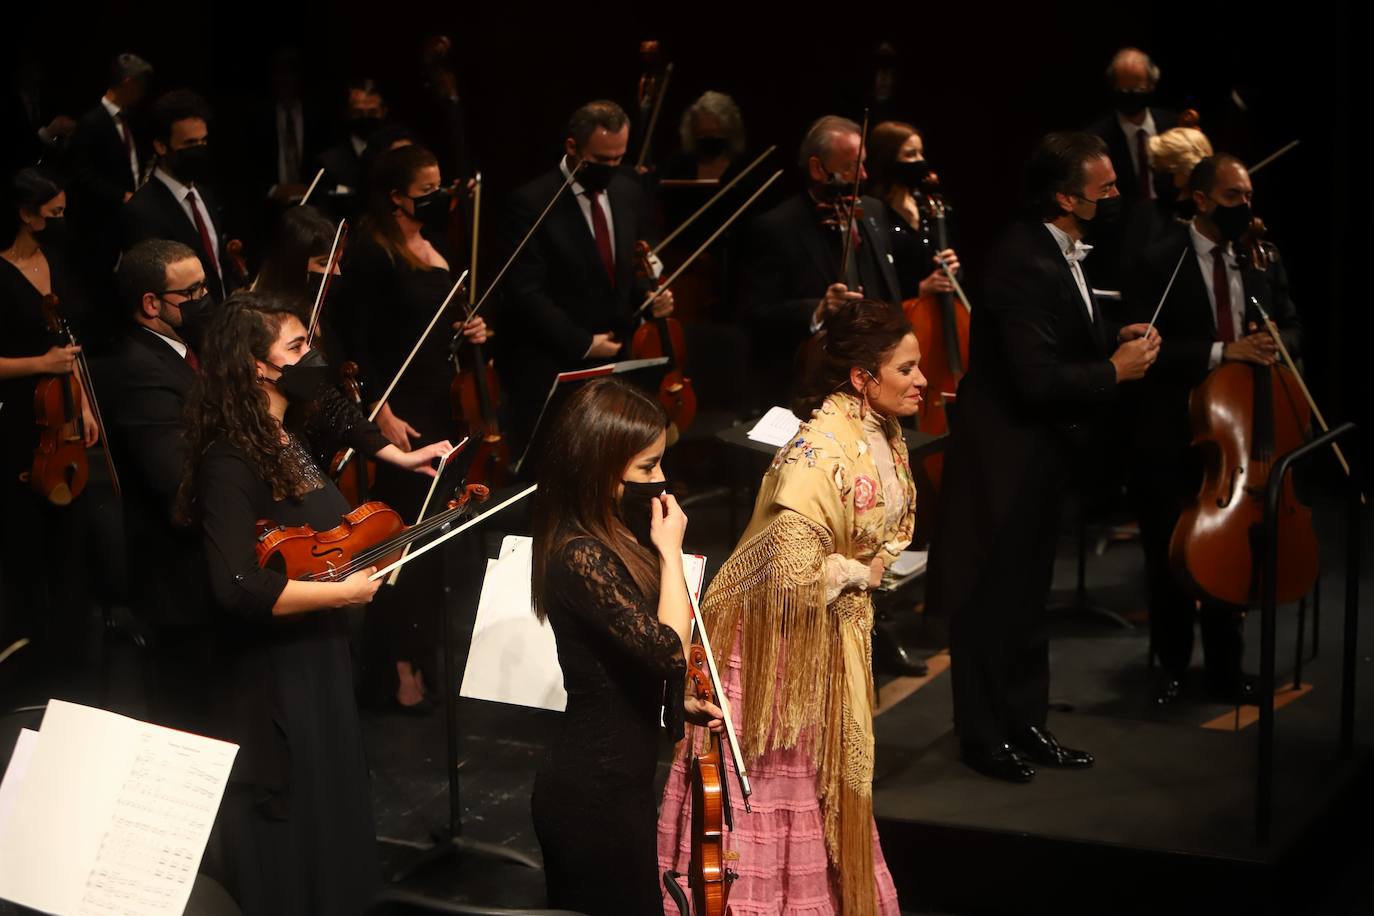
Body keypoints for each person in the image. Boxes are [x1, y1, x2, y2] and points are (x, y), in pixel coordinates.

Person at [658, 299, 924, 915]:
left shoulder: (881, 433)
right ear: (862, 377)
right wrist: (866, 571)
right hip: (777, 646)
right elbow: (790, 572)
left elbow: (892, 520)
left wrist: (868, 567)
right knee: (786, 778)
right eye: (906, 369)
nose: (922, 381)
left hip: (830, 628)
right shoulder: (818, 454)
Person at [926, 132, 1161, 783]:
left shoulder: (1059, 253)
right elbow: (1034, 377)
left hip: (1040, 460)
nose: (1116, 196)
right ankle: (982, 735)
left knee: (1029, 598)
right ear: (1066, 196)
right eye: (1105, 187)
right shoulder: (1018, 260)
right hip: (1001, 461)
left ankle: (1025, 722)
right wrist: (1114, 371)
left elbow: (1061, 336)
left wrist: (1114, 338)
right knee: (989, 600)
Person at [174, 293, 382, 915]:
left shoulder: (284, 437)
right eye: (295, 348)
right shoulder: (230, 459)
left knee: (332, 806)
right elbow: (236, 584)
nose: (311, 357)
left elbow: (324, 535)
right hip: (272, 680)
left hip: (317, 655)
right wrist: (343, 592)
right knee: (293, 826)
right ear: (257, 366)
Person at [530, 377, 717, 916]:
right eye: (646, 468)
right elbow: (665, 648)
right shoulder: (580, 555)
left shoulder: (611, 532)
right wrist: (671, 555)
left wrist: (675, 702)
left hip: (621, 783)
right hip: (592, 793)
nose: (660, 481)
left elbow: (623, 662)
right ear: (599, 465)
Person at [1125, 153, 1302, 707]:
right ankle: (1172, 667)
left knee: (1236, 546)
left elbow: (1294, 324)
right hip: (1175, 428)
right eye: (1231, 198)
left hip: (1241, 431)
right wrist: (1226, 351)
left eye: (1247, 197)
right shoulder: (1161, 260)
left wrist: (1277, 344)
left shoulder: (1259, 258)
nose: (1244, 208)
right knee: (1171, 552)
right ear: (1200, 201)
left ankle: (1228, 669)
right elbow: (1147, 349)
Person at [337, 143, 484, 708]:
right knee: (405, 545)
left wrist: (471, 330)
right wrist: (381, 411)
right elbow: (361, 344)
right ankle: (395, 669)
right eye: (428, 189)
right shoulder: (375, 255)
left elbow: (444, 320)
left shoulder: (438, 244)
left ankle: (428, 659)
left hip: (445, 402)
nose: (440, 196)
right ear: (397, 195)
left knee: (442, 549)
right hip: (405, 416)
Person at [496, 100, 672, 453]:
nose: (610, 168)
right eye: (601, 160)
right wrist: (583, 342)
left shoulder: (627, 190)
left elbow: (633, 263)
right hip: (556, 363)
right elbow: (525, 292)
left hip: (618, 360)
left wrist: (651, 294)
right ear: (572, 148)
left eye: (617, 158)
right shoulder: (531, 202)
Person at [97, 239, 215, 732]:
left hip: (201, 563)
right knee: (188, 712)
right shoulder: (138, 369)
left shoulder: (189, 349)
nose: (205, 300)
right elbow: (174, 474)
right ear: (151, 303)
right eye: (193, 292)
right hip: (174, 574)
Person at [0, 167, 96, 677]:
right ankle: (30, 654)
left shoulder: (55, 259)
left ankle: (70, 651)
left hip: (62, 410)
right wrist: (42, 366)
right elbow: (45, 356)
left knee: (71, 540)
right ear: (25, 213)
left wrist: (81, 403)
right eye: (54, 213)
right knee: (27, 541)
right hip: (18, 418)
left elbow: (69, 342)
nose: (62, 220)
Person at [738, 116, 901, 401]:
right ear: (817, 168)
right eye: (851, 166)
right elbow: (756, 313)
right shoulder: (777, 226)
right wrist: (817, 310)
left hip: (876, 376)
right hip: (812, 383)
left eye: (863, 163)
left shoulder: (873, 211)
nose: (863, 175)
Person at [121, 89, 241, 301]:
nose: (199, 150)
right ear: (161, 146)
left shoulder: (205, 194)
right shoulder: (143, 211)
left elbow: (217, 267)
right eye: (189, 144)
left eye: (203, 142)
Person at [1086, 48, 1179, 291]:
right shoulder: (1096, 139)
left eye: (1137, 90)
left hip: (1174, 238)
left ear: (1151, 84)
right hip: (1123, 250)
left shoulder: (1175, 127)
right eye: (1123, 91)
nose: (1130, 97)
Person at [67, 53, 153, 277]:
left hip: (130, 217)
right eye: (141, 85)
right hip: (102, 224)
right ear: (128, 83)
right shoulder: (91, 122)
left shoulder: (131, 118)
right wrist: (120, 195)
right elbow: (81, 175)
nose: (143, 92)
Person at [866, 120, 962, 302]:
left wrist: (953, 270)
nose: (920, 161)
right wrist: (919, 288)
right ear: (888, 159)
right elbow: (874, 279)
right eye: (911, 154)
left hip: (934, 311)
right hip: (896, 316)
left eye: (920, 153)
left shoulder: (927, 207)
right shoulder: (874, 212)